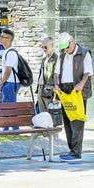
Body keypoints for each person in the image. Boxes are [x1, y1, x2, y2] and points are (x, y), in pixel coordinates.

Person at [54, 32, 93, 162]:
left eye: (67, 47)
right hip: (64, 89)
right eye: (63, 47)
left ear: (72, 41)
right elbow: (56, 73)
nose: (66, 50)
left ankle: (76, 153)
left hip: (77, 90)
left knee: (77, 121)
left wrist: (81, 84)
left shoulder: (84, 53)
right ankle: (72, 150)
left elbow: (88, 72)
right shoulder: (62, 55)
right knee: (67, 120)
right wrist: (56, 84)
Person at [0, 29, 20, 131]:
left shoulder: (11, 53)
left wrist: (2, 83)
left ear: (8, 39)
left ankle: (12, 129)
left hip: (10, 83)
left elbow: (8, 71)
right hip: (9, 83)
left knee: (8, 108)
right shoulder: (7, 52)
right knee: (7, 108)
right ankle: (8, 129)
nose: (0, 38)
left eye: (2, 37)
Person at [36, 37, 58, 112]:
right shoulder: (44, 59)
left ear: (52, 46)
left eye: (45, 47)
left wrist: (55, 95)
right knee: (42, 115)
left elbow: (57, 78)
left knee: (50, 115)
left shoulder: (56, 59)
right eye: (42, 47)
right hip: (41, 89)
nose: (44, 49)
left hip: (49, 91)